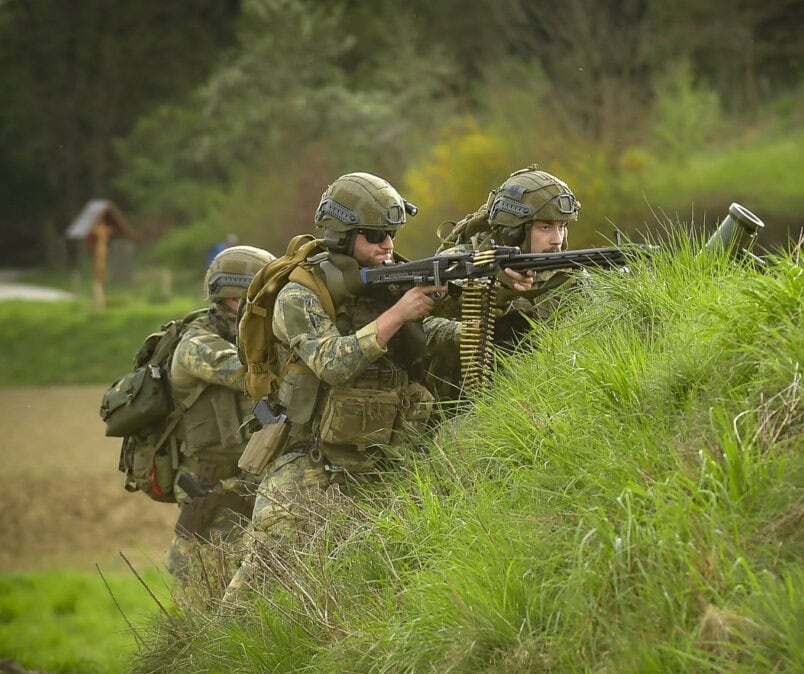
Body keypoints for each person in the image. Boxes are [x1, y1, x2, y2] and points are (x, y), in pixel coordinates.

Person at [222, 172, 459, 604]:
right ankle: (210, 666)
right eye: (375, 236)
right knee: (260, 582)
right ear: (344, 236)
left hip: (385, 453)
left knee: (382, 580)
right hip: (310, 460)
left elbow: (424, 333)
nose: (388, 246)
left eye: (391, 234)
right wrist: (399, 313)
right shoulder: (301, 294)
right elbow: (333, 363)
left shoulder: (390, 277)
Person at [167, 244, 275, 601]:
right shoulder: (196, 345)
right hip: (210, 489)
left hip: (246, 483)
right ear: (232, 298)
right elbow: (251, 374)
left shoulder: (245, 335)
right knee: (208, 601)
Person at [430, 166, 580, 394]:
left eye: (563, 227)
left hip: (538, 399)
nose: (557, 240)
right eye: (546, 227)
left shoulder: (566, 276)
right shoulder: (457, 264)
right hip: (459, 404)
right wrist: (473, 328)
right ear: (514, 231)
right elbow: (417, 329)